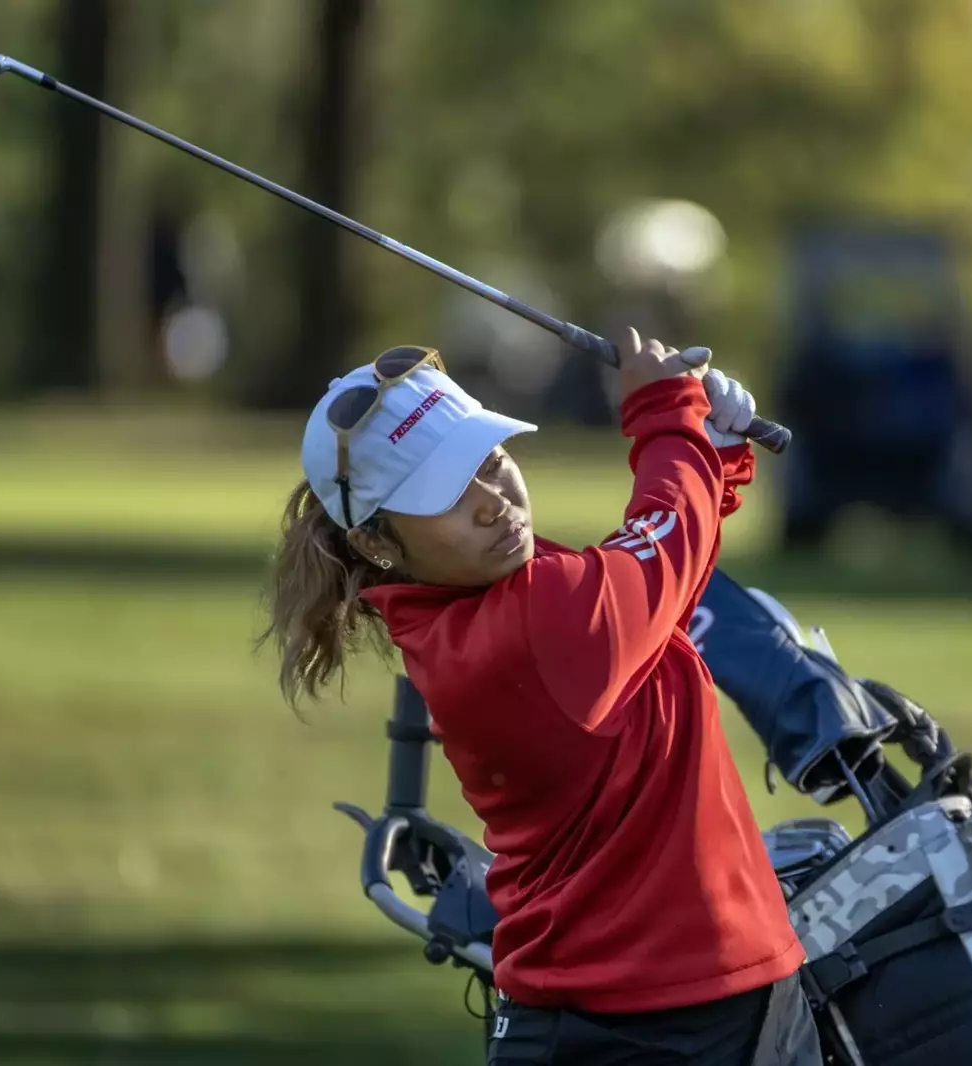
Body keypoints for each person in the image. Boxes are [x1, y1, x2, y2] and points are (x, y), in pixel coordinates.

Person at [263, 328, 821, 1065]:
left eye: (491, 463)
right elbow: (662, 549)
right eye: (450, 497)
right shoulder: (528, 627)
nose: (495, 502)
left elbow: (659, 608)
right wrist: (663, 415)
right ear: (376, 544)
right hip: (640, 1027)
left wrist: (705, 452)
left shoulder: (500, 599)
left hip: (692, 1001)